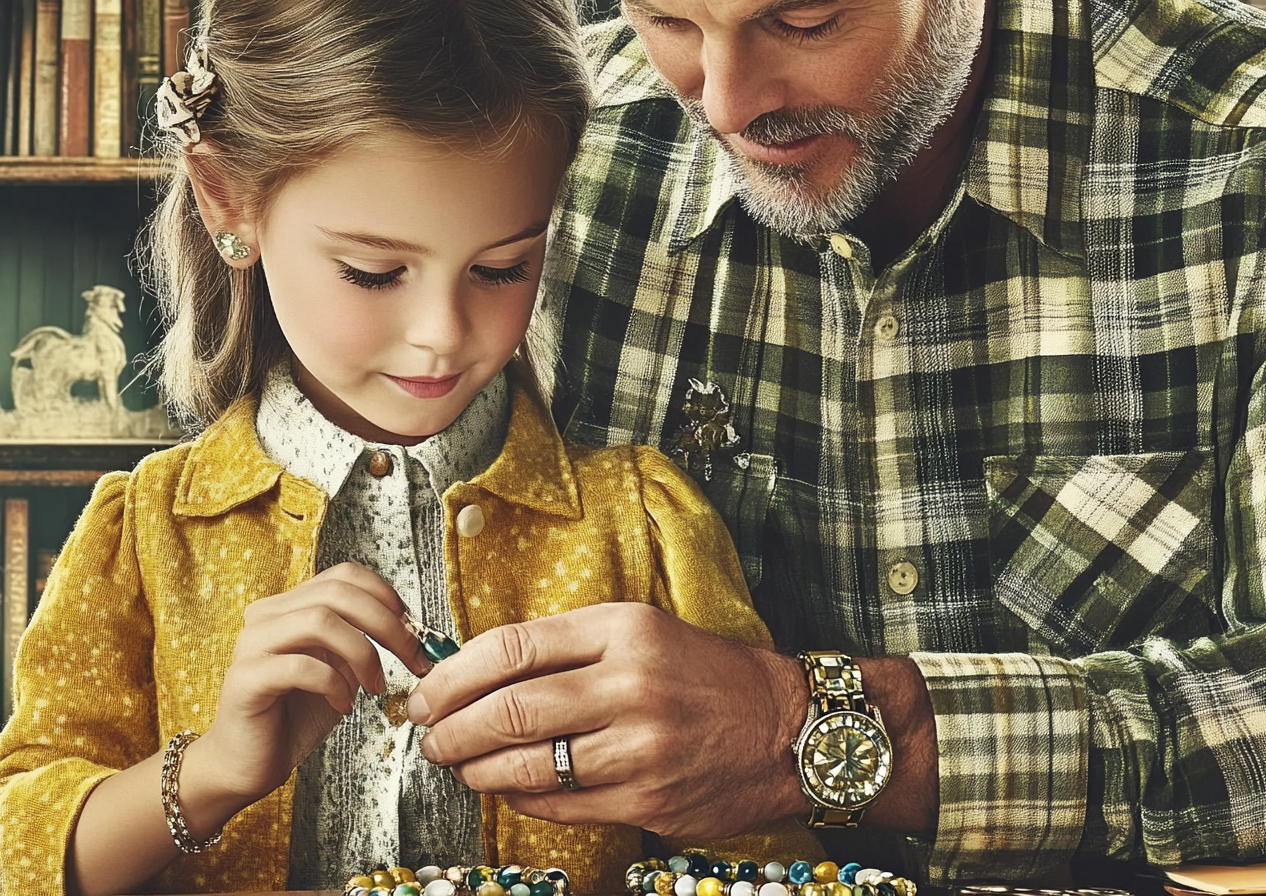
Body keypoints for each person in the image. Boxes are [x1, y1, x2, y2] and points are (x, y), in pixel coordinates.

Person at [404, 0, 1266, 888]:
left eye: (804, 20)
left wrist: (814, 732)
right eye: (669, 20)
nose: (727, 102)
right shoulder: (549, 154)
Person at [0, 1, 823, 893]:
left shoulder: (648, 526)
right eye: (373, 272)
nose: (440, 335)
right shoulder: (144, 539)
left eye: (502, 267)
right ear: (224, 195)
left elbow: (772, 852)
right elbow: (18, 844)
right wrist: (209, 775)